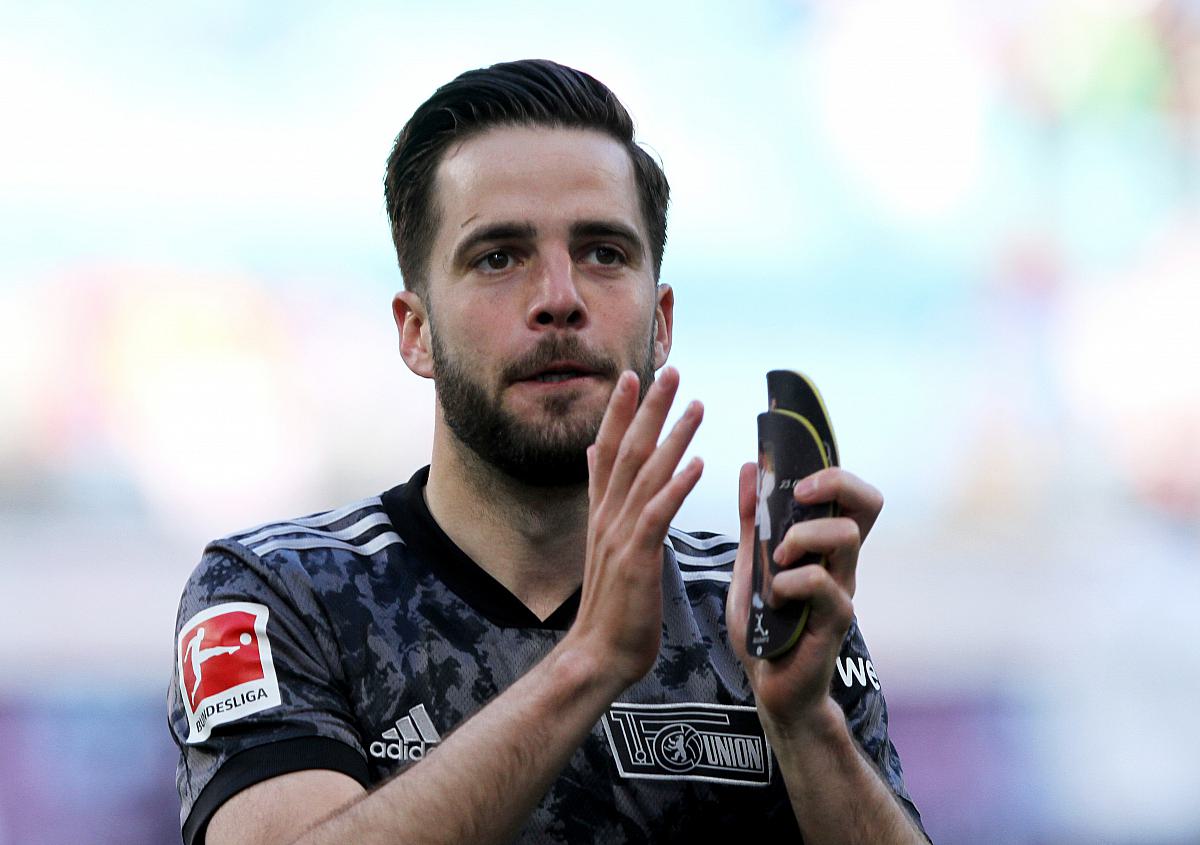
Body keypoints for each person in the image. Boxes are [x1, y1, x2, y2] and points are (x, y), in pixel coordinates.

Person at [169, 59, 929, 844]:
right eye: (498, 257)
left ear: (661, 322)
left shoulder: (753, 611)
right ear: (416, 330)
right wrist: (589, 658)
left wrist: (804, 723)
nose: (560, 297)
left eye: (604, 253)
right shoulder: (284, 592)